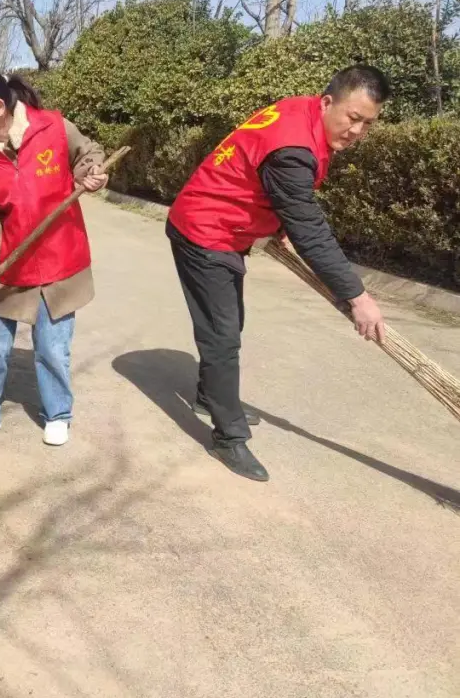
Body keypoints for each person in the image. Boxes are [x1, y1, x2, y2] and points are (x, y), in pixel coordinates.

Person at [166, 65, 390, 482]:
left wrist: (278, 224)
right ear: (327, 102)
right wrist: (357, 297)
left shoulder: (301, 113)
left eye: (368, 123)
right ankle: (228, 438)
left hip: (228, 229)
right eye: (352, 118)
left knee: (227, 327)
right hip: (204, 230)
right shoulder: (293, 147)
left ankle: (209, 395)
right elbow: (310, 229)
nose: (357, 131)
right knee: (222, 334)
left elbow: (276, 189)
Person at [0, 70, 109, 448]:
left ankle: (58, 414)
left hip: (60, 259)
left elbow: (89, 152)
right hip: (9, 264)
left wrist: (90, 173)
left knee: (53, 347)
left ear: (0, 107)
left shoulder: (53, 127)